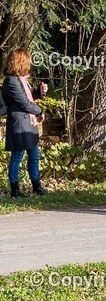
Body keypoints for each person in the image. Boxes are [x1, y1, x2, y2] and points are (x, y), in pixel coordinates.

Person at [3, 49, 47, 198]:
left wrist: (39, 92)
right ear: (20, 62)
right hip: (20, 125)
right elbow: (24, 102)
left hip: (28, 123)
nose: (30, 63)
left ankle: (37, 186)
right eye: (27, 60)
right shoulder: (11, 81)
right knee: (17, 156)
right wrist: (39, 111)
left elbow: (28, 97)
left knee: (34, 155)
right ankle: (15, 190)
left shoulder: (21, 80)